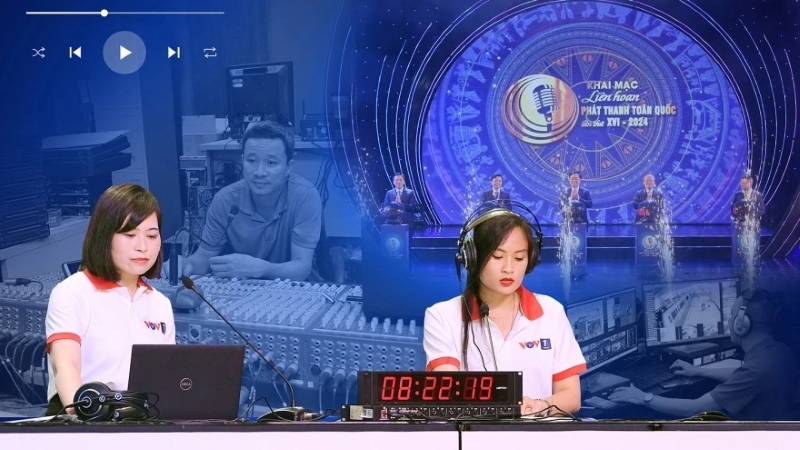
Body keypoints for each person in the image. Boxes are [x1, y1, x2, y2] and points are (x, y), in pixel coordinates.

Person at [423, 209, 586, 416]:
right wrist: (504, 407)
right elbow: (448, 392)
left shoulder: (551, 311)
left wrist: (538, 406)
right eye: (497, 256)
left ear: (531, 260)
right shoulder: (442, 316)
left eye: (519, 258)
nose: (509, 268)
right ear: (473, 257)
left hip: (538, 433)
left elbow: (571, 396)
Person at [45, 184, 175, 415]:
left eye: (151, 236)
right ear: (104, 237)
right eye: (129, 235)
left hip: (143, 421)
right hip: (84, 420)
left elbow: (166, 378)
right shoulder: (71, 293)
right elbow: (66, 367)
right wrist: (87, 419)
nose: (142, 247)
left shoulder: (160, 304)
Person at [609, 289, 799, 420]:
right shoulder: (780, 352)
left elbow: (695, 408)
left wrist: (643, 397)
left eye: (732, 315)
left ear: (741, 325)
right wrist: (699, 371)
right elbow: (740, 374)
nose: (729, 321)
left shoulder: (754, 372)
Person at [178, 121, 322, 281]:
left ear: (288, 167)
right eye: (252, 161)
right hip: (243, 290)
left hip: (296, 290)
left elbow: (302, 269)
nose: (259, 172)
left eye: (271, 163)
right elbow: (204, 258)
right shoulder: (224, 200)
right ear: (242, 161)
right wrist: (185, 264)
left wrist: (262, 269)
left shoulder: (305, 196)